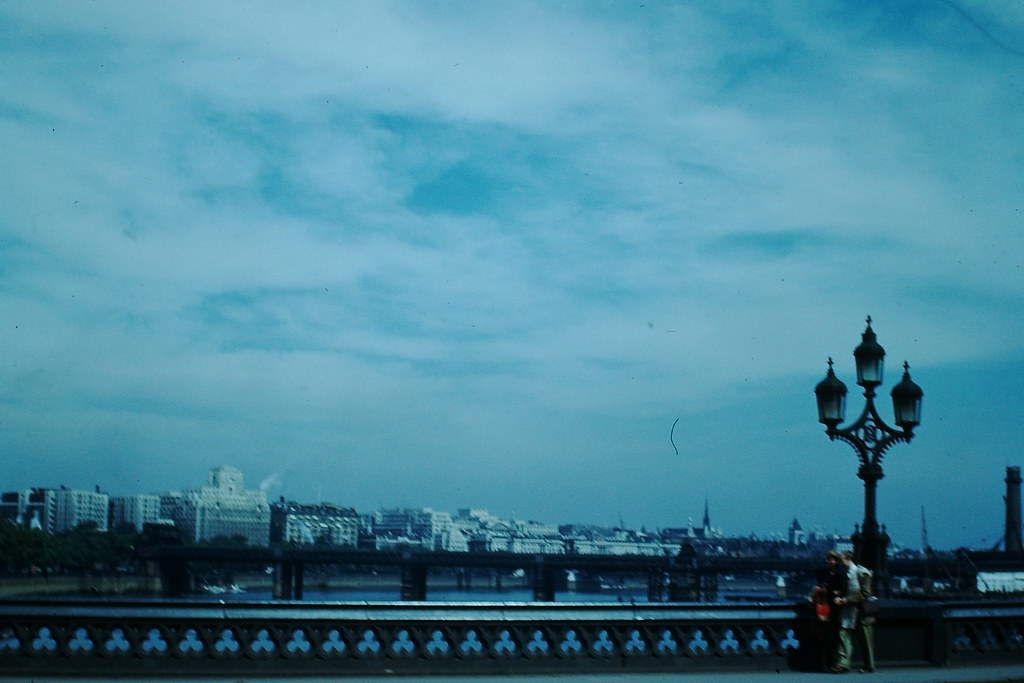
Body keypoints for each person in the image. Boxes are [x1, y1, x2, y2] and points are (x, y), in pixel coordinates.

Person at [832, 551, 875, 673]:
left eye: (841, 560)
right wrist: (840, 594)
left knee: (866, 639)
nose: (839, 563)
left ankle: (869, 665)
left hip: (861, 612)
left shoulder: (862, 573)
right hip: (848, 611)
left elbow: (866, 593)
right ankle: (843, 663)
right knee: (843, 634)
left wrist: (845, 599)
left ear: (848, 559)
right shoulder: (846, 574)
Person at [811, 550, 843, 671]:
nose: (828, 561)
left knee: (834, 637)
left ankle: (834, 663)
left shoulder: (841, 574)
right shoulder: (822, 573)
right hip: (823, 608)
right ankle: (824, 663)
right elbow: (819, 586)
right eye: (828, 559)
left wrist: (836, 592)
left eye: (831, 559)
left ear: (836, 561)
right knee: (823, 636)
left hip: (835, 609)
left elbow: (843, 590)